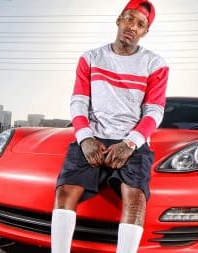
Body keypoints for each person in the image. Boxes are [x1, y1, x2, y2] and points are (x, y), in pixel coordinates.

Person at [51, 0, 169, 252]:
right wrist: (85, 139)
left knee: (136, 201)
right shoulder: (90, 58)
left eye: (140, 24)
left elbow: (154, 111)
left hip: (131, 143)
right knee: (64, 193)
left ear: (145, 32)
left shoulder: (155, 64)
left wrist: (129, 144)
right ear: (118, 19)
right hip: (93, 137)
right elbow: (78, 103)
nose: (132, 26)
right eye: (129, 18)